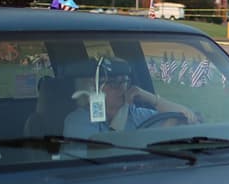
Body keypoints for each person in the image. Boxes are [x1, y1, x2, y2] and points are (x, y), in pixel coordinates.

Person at [63, 58, 199, 137]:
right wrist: (168, 127)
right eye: (113, 83)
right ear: (93, 89)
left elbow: (187, 116)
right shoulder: (78, 121)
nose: (122, 87)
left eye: (125, 81)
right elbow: (104, 153)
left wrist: (151, 98)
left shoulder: (135, 114)